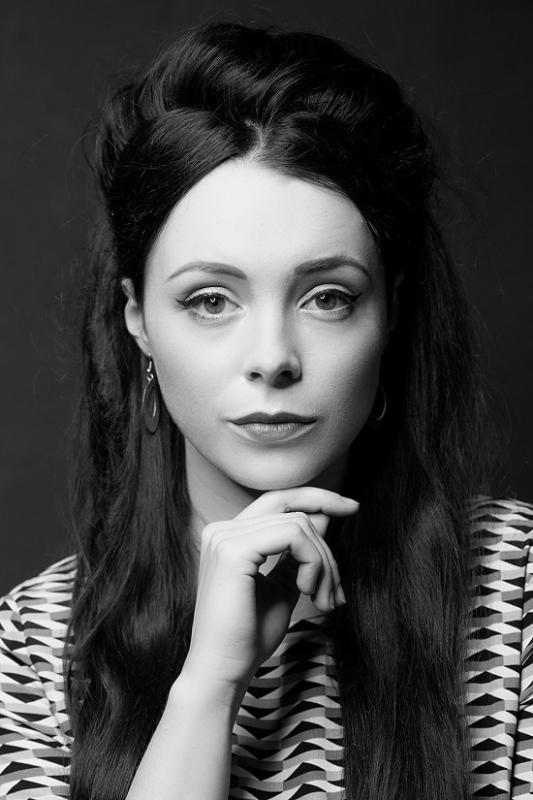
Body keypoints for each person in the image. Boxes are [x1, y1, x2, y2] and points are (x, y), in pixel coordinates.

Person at [0, 18, 532, 800]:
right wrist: (208, 687)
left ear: (389, 314)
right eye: (210, 300)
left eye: (328, 296)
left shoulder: (515, 592)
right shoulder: (37, 644)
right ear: (138, 320)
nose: (273, 357)